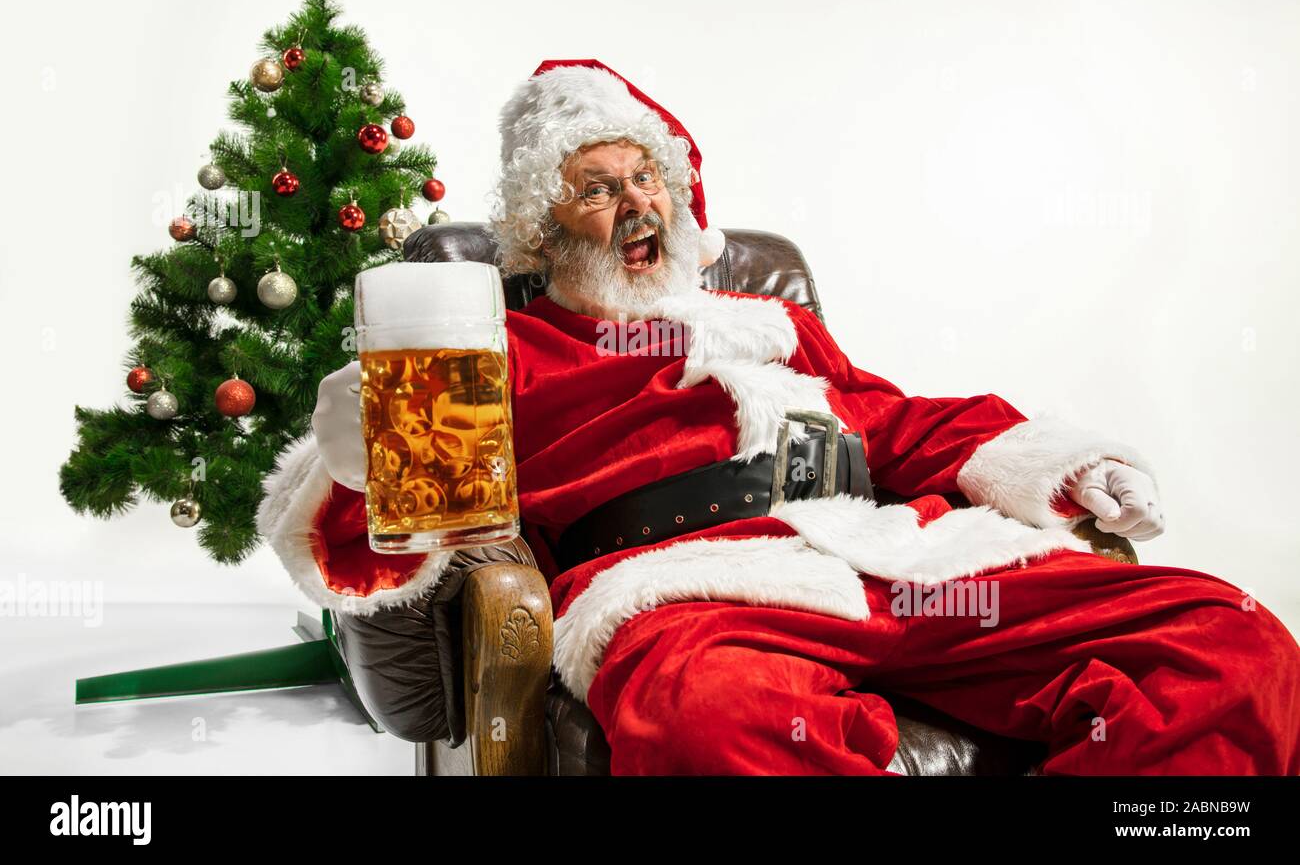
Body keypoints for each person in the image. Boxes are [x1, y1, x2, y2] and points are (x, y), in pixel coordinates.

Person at [256, 59, 1300, 774]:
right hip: (687, 596)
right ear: (537, 224)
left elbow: (895, 422)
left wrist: (1063, 463)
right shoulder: (500, 354)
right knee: (716, 721)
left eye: (648, 179)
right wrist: (357, 471)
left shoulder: (766, 323)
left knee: (1229, 637)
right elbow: (421, 537)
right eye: (595, 187)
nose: (639, 205)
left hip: (898, 564)